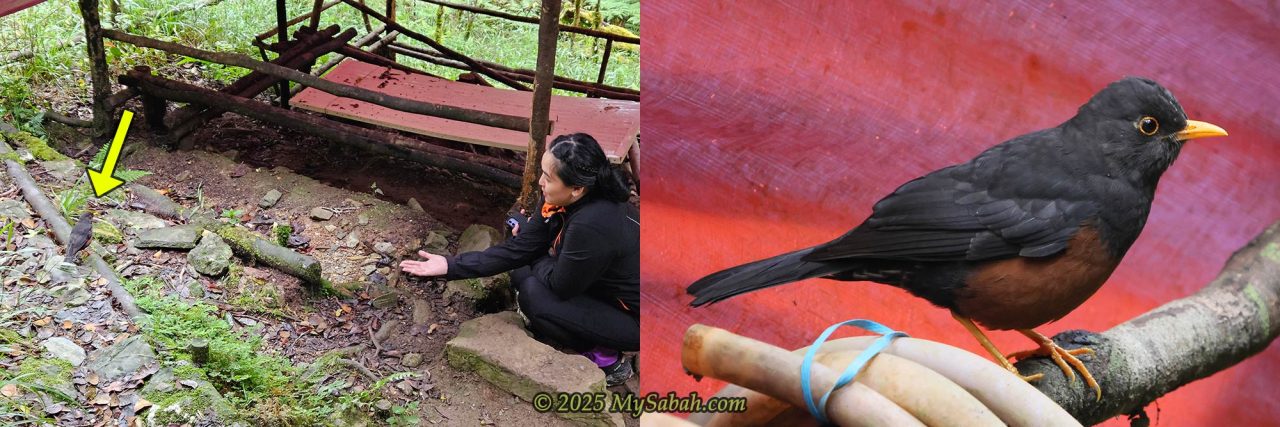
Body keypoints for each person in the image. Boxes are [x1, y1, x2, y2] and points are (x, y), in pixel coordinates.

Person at [400, 133, 640, 386]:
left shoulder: (593, 223)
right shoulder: (563, 196)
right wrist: (450, 265)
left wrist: (537, 253)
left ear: (577, 189)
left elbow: (560, 285)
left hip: (638, 319)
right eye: (543, 173)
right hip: (600, 284)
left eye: (548, 178)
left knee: (534, 297)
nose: (540, 182)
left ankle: (607, 359)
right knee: (521, 271)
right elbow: (520, 249)